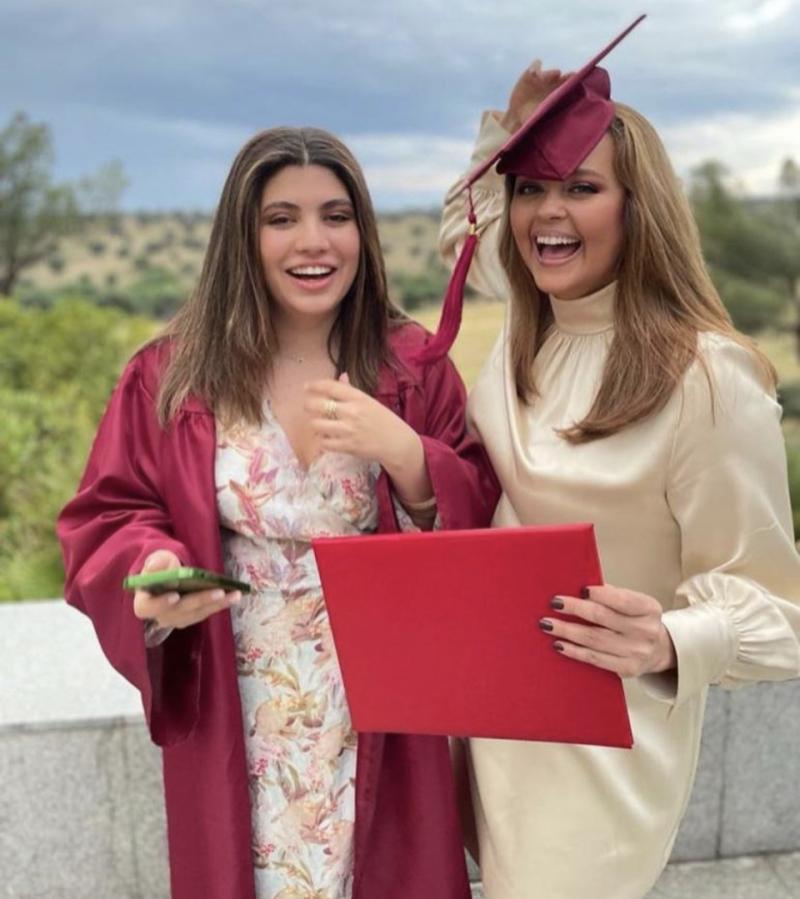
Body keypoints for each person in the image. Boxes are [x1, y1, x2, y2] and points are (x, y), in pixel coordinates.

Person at [57, 125, 499, 899]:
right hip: (240, 689)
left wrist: (406, 453)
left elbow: (480, 511)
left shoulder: (410, 366)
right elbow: (110, 511)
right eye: (281, 218)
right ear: (244, 234)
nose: (313, 240)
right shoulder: (173, 374)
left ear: (362, 228)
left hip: (380, 697)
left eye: (335, 214)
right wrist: (153, 566)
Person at [434, 19, 800, 899]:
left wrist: (672, 636)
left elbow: (781, 610)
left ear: (639, 208)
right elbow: (465, 228)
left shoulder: (707, 379)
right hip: (489, 709)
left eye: (581, 188)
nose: (545, 214)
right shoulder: (532, 316)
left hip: (605, 740)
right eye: (530, 190)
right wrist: (507, 136)